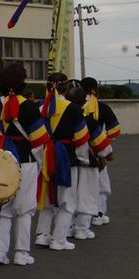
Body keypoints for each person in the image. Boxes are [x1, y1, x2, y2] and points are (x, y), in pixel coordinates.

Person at [0, 64, 51, 266]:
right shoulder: (29, 107)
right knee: (25, 209)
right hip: (26, 161)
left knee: (4, 207)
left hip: (3, 160)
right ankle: (21, 253)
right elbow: (40, 140)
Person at [34, 74, 89, 251]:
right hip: (67, 156)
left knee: (48, 198)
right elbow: (81, 138)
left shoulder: (40, 107)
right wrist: (83, 159)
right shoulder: (73, 109)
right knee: (67, 200)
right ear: (66, 88)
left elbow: (34, 137)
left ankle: (42, 235)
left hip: (45, 155)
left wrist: (39, 159)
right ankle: (59, 239)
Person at [64, 82, 113, 240]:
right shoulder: (88, 121)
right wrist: (106, 156)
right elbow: (102, 146)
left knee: (69, 197)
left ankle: (68, 227)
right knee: (87, 194)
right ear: (84, 101)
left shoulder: (59, 120)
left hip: (67, 162)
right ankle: (82, 228)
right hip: (87, 162)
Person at [82, 77, 119, 226]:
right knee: (102, 186)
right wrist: (105, 145)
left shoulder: (72, 106)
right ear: (94, 90)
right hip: (98, 150)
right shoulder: (102, 107)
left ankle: (77, 220)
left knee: (80, 187)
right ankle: (98, 214)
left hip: (75, 151)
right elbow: (115, 129)